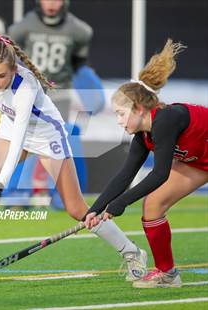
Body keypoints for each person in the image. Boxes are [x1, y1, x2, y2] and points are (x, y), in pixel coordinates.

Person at [0, 35, 147, 281]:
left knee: (76, 208)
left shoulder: (25, 89)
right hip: (11, 128)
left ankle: (132, 252)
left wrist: (1, 183)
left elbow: (20, 140)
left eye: (0, 76)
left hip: (47, 136)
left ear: (13, 70)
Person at [84, 39, 208, 288]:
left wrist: (120, 203)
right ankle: (168, 274)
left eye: (121, 113)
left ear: (139, 108)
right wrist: (95, 209)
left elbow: (160, 174)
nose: (118, 121)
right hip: (200, 162)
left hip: (198, 158)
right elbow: (125, 174)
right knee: (153, 205)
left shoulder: (166, 119)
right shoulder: (142, 134)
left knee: (151, 197)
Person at [8, 0, 105, 204]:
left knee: (56, 142)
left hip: (58, 93)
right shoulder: (23, 27)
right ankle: (17, 195)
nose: (51, 4)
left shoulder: (79, 30)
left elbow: (78, 64)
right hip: (29, 92)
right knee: (24, 140)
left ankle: (62, 195)